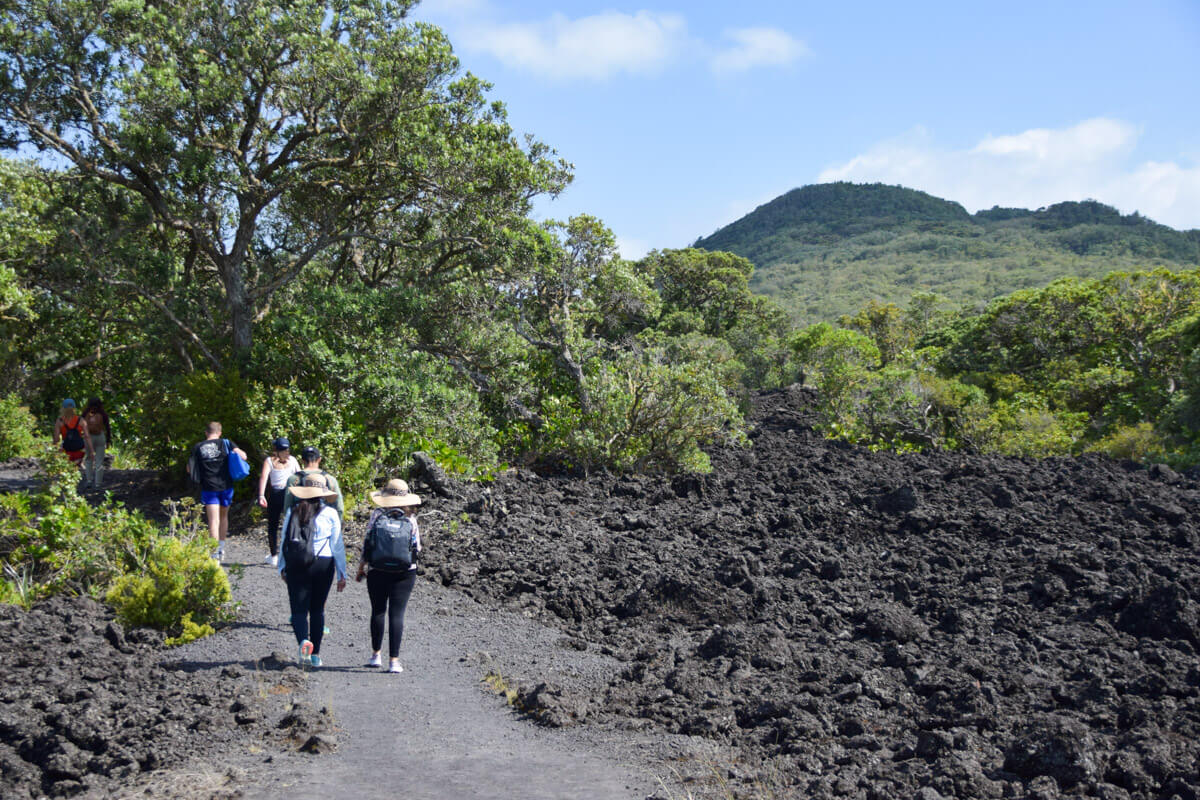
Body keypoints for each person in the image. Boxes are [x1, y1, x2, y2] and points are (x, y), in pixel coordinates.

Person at [278, 474, 347, 667]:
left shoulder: (293, 511)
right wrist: (342, 572)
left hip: (297, 562)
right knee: (317, 609)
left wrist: (281, 566)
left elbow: (284, 539)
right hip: (323, 563)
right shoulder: (331, 513)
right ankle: (315, 655)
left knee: (298, 610)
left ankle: (303, 642)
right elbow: (337, 545)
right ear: (323, 494)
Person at [357, 479, 421, 673]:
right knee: (397, 613)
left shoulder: (377, 515)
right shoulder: (410, 518)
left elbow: (368, 542)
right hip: (405, 571)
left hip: (378, 569)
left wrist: (361, 566)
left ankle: (376, 655)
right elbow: (417, 547)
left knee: (378, 611)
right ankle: (394, 660)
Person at [187, 421, 248, 562]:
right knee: (224, 517)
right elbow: (244, 456)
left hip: (209, 488)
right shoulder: (226, 443)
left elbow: (189, 469)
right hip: (226, 486)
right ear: (219, 432)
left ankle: (214, 554)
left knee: (213, 520)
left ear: (206, 433)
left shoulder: (198, 447)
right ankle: (221, 548)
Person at [256, 437, 299, 566]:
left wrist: (261, 495)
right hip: (285, 493)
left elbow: (264, 478)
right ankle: (281, 554)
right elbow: (300, 474)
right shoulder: (287, 460)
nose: (286, 453)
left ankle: (279, 555)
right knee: (283, 524)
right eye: (285, 450)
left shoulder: (273, 461)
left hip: (282, 493)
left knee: (280, 525)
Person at [282, 445, 344, 518]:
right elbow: (339, 507)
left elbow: (287, 506)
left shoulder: (293, 479)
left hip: (300, 523)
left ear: (302, 461)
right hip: (324, 522)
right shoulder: (330, 479)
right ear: (319, 459)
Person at [52, 398, 93, 472]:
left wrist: (55, 454)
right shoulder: (81, 420)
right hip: (80, 452)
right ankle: (80, 462)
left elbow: (56, 440)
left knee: (61, 448)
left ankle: (70, 463)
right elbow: (87, 437)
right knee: (86, 442)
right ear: (74, 408)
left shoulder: (59, 421)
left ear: (63, 408)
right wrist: (91, 451)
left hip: (66, 452)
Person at [81, 398, 112, 490]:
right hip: (100, 437)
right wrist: (108, 440)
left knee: (88, 459)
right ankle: (98, 483)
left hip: (89, 437)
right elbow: (107, 427)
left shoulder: (86, 413)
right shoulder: (103, 414)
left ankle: (89, 481)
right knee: (99, 461)